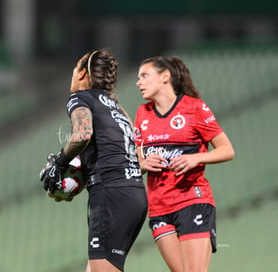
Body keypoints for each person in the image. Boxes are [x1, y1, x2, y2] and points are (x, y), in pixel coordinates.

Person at [40, 49, 148, 272]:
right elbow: (138, 159)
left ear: (81, 73)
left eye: (74, 70)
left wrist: (60, 163)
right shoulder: (117, 108)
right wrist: (84, 172)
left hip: (110, 197)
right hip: (134, 195)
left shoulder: (80, 98)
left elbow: (82, 134)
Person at [133, 56, 235, 272]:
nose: (138, 82)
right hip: (159, 207)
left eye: (144, 75)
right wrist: (143, 163)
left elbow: (227, 150)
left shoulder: (194, 108)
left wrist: (195, 157)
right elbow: (136, 160)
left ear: (165, 76)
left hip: (192, 200)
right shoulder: (143, 113)